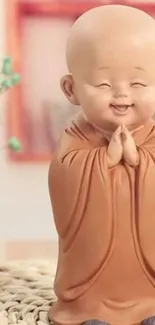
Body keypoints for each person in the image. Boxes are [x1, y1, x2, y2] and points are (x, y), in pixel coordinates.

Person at [48, 5, 155, 325]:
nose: (122, 95)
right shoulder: (75, 137)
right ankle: (90, 312)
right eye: (104, 85)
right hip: (92, 280)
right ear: (71, 89)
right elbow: (64, 179)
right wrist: (103, 160)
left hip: (145, 274)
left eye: (138, 84)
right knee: (90, 305)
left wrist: (140, 160)